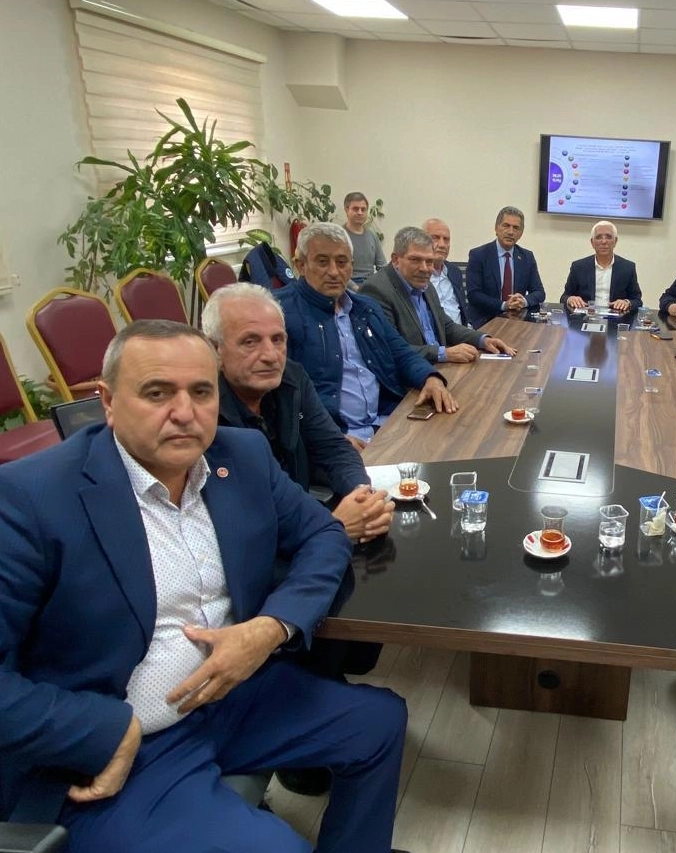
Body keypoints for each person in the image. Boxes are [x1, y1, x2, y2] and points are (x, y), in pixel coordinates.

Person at [0, 320, 408, 853]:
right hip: (129, 741)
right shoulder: (30, 498)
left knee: (379, 721)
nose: (184, 412)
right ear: (108, 401)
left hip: (233, 698)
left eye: (201, 391)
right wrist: (105, 730)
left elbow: (324, 535)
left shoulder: (241, 456)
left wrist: (268, 629)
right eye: (156, 393)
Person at [204, 283, 392, 544]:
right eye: (250, 342)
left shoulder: (292, 378)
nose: (271, 355)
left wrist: (361, 495)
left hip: (306, 523)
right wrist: (332, 528)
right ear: (215, 349)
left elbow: (333, 448)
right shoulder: (203, 413)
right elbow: (241, 527)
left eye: (277, 339)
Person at [276, 222, 458, 449]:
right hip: (335, 440)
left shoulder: (365, 308)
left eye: (342, 262)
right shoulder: (279, 314)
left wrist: (430, 378)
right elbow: (279, 397)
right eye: (322, 262)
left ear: (351, 266)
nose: (334, 271)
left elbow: (400, 352)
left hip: (384, 423)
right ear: (301, 265)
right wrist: (329, 439)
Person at [362, 226, 514, 363]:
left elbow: (447, 326)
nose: (424, 268)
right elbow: (390, 348)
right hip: (410, 376)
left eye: (429, 261)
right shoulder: (376, 290)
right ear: (396, 259)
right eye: (415, 260)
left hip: (438, 367)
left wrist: (482, 339)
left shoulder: (425, 286)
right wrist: (443, 353)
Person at [465, 206, 546, 327]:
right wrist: (504, 305)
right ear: (496, 228)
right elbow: (474, 294)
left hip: (516, 320)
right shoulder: (478, 255)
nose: (510, 232)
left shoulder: (527, 257)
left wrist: (523, 301)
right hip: (485, 320)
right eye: (506, 226)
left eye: (516, 228)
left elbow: (539, 292)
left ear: (520, 233)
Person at [560, 220, 642, 313]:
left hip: (616, 318)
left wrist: (627, 302)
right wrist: (570, 299)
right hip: (585, 317)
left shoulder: (627, 268)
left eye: (608, 237)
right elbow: (564, 297)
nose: (604, 241)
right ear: (592, 242)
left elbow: (637, 301)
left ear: (615, 241)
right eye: (599, 237)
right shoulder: (578, 267)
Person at [422, 217, 470, 326]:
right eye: (435, 238)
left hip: (461, 331)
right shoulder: (417, 274)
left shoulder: (454, 271)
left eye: (446, 239)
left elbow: (463, 312)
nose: (442, 245)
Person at [342, 191, 385, 285]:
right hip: (347, 286)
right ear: (346, 210)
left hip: (370, 285)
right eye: (355, 209)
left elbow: (382, 267)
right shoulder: (339, 236)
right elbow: (338, 271)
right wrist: (355, 289)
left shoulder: (372, 235)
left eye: (363, 209)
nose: (360, 213)